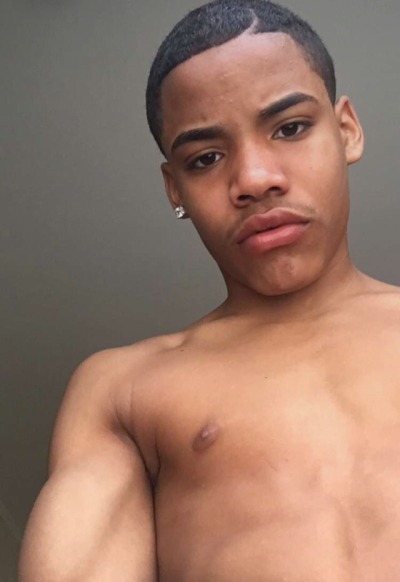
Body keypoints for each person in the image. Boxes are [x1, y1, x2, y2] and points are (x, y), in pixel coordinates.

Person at [19, 0, 400, 580]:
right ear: (175, 188)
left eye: (290, 128)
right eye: (206, 158)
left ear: (346, 130)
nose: (254, 179)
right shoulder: (125, 389)